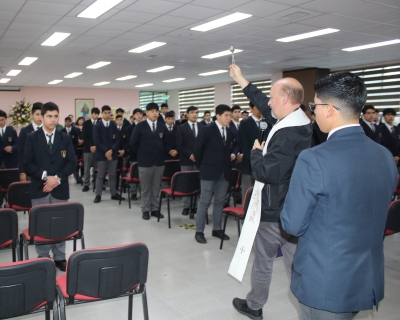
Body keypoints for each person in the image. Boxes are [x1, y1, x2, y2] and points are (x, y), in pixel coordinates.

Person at [280, 71, 398, 320]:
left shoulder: (315, 158)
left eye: (315, 105)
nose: (314, 112)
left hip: (326, 280)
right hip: (365, 278)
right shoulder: (385, 155)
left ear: (330, 109)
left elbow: (292, 223)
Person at [230, 64, 312, 320]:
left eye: (274, 98)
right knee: (296, 264)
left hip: (276, 210)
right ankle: (311, 308)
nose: (268, 103)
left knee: (263, 260)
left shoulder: (287, 134)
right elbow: (263, 104)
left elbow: (267, 173)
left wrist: (255, 152)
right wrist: (242, 80)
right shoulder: (297, 120)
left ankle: (254, 306)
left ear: (285, 100)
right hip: (295, 208)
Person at [24, 102, 76, 272]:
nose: (53, 120)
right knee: (42, 223)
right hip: (40, 187)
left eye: (55, 116)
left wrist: (57, 179)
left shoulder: (64, 137)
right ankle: (44, 257)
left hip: (60, 188)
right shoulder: (32, 137)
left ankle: (60, 256)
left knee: (60, 223)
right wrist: (47, 177)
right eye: (49, 116)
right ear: (42, 117)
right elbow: (28, 164)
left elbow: (72, 163)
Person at [193, 104, 236, 244]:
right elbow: (197, 150)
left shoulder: (228, 131)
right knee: (204, 201)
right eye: (226, 115)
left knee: (220, 201)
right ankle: (199, 231)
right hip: (208, 171)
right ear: (218, 116)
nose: (229, 118)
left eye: (230, 115)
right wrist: (202, 167)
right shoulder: (207, 129)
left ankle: (217, 229)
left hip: (224, 172)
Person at [130, 103, 176, 220]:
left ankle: (155, 209)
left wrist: (169, 150)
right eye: (152, 111)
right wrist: (141, 154)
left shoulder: (161, 126)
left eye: (156, 111)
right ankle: (145, 210)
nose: (155, 113)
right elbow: (133, 143)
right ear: (147, 113)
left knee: (156, 187)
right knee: (145, 189)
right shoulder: (140, 126)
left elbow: (164, 143)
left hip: (159, 162)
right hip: (145, 162)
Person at [237, 101, 271, 201]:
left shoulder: (267, 123)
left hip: (264, 163)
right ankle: (246, 214)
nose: (260, 109)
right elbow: (244, 144)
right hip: (249, 163)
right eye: (257, 107)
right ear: (251, 108)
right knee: (248, 192)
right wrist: (253, 158)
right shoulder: (245, 123)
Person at [93, 105, 125, 203]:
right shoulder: (97, 126)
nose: (107, 115)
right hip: (102, 154)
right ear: (102, 113)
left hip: (113, 154)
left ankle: (113, 193)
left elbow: (117, 140)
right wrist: (106, 151)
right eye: (105, 113)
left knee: (112, 175)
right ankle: (98, 195)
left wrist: (111, 150)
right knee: (101, 175)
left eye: (109, 113)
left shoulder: (113, 125)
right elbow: (96, 141)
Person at [176, 106, 201, 216]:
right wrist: (190, 155)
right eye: (192, 112)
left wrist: (198, 155)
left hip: (200, 160)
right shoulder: (181, 128)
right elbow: (179, 145)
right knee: (186, 183)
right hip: (186, 159)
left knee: (198, 183)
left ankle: (195, 206)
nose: (194, 114)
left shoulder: (203, 126)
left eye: (196, 112)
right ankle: (186, 206)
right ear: (187, 114)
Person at [18, 102, 43, 181]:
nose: (40, 117)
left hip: (46, 170)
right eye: (37, 114)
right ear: (32, 115)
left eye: (42, 114)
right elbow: (21, 152)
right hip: (30, 170)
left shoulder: (48, 130)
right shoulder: (25, 131)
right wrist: (22, 172)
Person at [125, 108, 143, 201]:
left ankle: (142, 191)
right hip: (133, 154)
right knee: (133, 173)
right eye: (137, 114)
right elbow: (130, 142)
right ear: (134, 116)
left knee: (143, 174)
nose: (139, 116)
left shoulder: (145, 126)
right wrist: (138, 152)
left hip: (144, 155)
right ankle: (133, 193)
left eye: (140, 114)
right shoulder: (129, 128)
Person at [81, 108, 100, 192]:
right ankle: (86, 184)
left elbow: (101, 137)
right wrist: (90, 146)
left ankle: (97, 184)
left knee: (97, 168)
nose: (96, 115)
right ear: (92, 114)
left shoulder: (100, 124)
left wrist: (96, 146)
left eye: (98, 114)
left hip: (98, 149)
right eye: (95, 114)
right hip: (88, 149)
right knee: (87, 168)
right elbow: (85, 136)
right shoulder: (86, 123)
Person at [61, 117, 80, 183]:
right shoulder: (62, 131)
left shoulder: (75, 130)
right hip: (63, 151)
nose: (68, 123)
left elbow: (76, 142)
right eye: (66, 121)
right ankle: (63, 178)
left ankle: (77, 179)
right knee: (63, 165)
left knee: (74, 165)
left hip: (73, 151)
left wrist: (72, 150)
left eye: (69, 121)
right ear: (65, 122)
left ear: (71, 122)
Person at [115, 114, 127, 189]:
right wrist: (117, 150)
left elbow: (127, 141)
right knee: (116, 170)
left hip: (124, 153)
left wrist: (123, 150)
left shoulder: (125, 129)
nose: (119, 121)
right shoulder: (113, 129)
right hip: (115, 153)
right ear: (115, 121)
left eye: (121, 119)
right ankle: (115, 185)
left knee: (123, 169)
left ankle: (123, 185)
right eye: (118, 120)